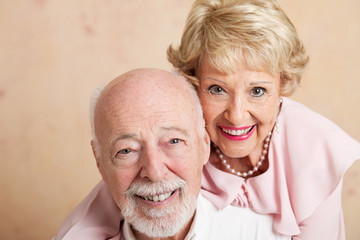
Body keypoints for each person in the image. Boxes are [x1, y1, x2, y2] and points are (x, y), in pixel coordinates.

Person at [54, 0, 360, 239]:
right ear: (191, 82)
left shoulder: (315, 152)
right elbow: (95, 217)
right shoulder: (173, 146)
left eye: (257, 90)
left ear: (282, 85)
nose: (237, 114)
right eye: (217, 89)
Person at [54, 68, 291, 240]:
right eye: (126, 150)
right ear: (100, 163)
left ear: (204, 146)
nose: (154, 172)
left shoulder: (266, 233)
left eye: (174, 141)